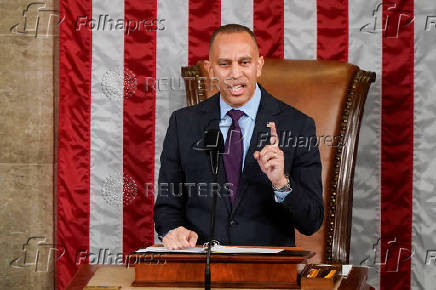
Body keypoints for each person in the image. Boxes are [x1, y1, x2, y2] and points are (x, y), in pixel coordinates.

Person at [154, 24, 323, 250]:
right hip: (201, 268)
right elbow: (166, 207)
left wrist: (281, 183)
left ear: (259, 66)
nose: (235, 73)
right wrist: (173, 230)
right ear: (210, 69)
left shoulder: (297, 126)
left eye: (244, 62)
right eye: (224, 64)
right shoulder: (183, 124)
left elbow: (311, 221)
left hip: (266, 276)